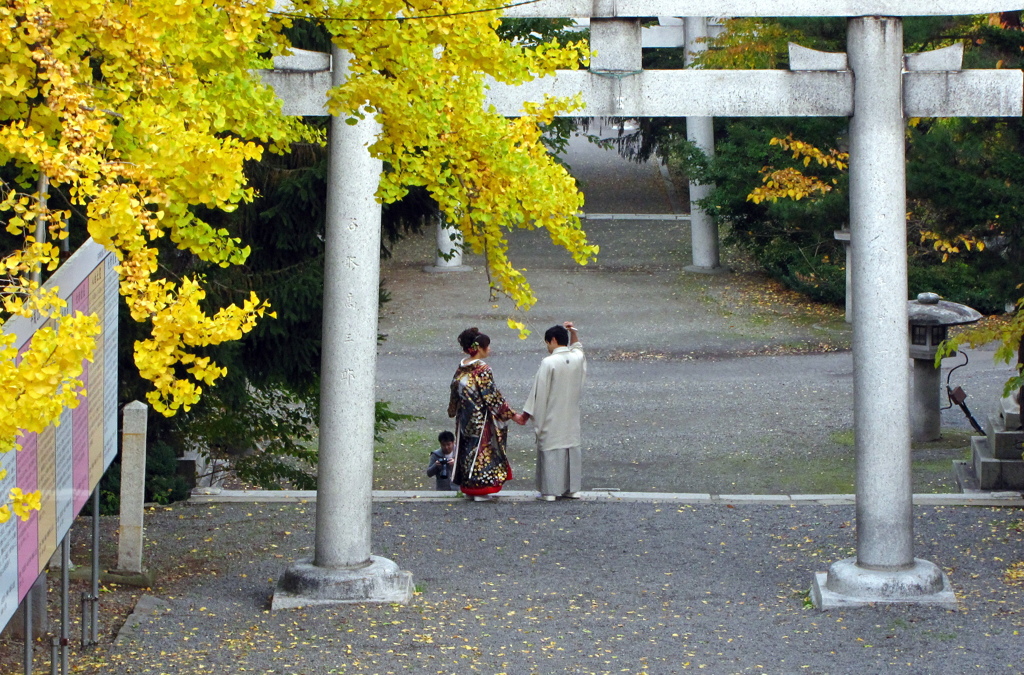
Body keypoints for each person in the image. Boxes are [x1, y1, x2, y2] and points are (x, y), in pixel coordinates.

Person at [448, 327, 519, 501]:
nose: (489, 349)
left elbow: (454, 390)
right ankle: (481, 488)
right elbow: (492, 395)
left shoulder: (461, 368)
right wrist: (511, 414)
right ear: (479, 348)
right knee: (482, 451)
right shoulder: (482, 369)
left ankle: (469, 487)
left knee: (467, 449)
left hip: (464, 418)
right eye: (487, 346)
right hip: (481, 417)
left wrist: (453, 409)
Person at [519, 321, 586, 501]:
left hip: (551, 414)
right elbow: (578, 348)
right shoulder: (577, 359)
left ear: (554, 340)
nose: (547, 346)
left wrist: (527, 414)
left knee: (550, 447)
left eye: (548, 342)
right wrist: (573, 332)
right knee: (570, 446)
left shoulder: (549, 362)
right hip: (571, 415)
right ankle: (572, 489)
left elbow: (538, 392)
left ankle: (549, 491)